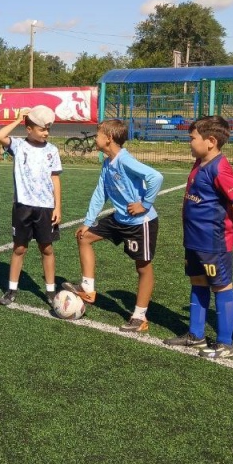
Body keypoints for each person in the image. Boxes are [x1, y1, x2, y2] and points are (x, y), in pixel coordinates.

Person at [62, 119, 164, 332]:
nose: (94, 137)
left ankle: (139, 317)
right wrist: (88, 222)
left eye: (98, 133)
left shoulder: (124, 160)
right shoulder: (107, 162)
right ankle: (88, 288)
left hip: (140, 222)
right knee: (84, 236)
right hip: (119, 219)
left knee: (143, 267)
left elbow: (156, 176)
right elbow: (101, 192)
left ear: (108, 138)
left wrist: (144, 204)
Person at [164, 115, 233, 358]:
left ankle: (226, 344)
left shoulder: (220, 168)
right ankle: (196, 335)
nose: (189, 143)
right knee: (198, 282)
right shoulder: (199, 162)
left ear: (210, 141)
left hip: (214, 242)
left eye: (192, 138)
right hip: (194, 240)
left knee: (221, 286)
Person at [0, 106, 62, 307]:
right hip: (23, 207)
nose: (46, 133)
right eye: (42, 129)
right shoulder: (18, 145)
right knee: (19, 248)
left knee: (47, 248)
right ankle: (11, 290)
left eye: (48, 128)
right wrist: (17, 119)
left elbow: (55, 179)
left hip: (46, 208)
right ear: (29, 128)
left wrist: (57, 207)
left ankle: (50, 291)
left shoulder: (52, 150)